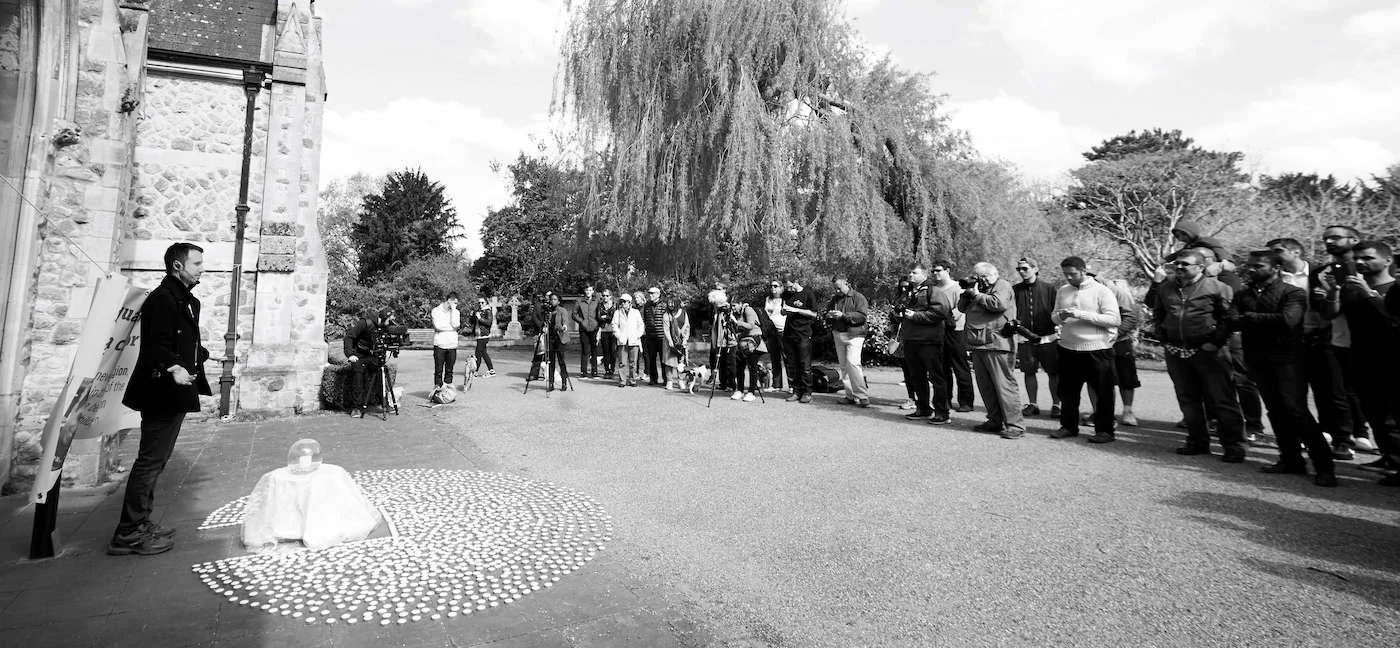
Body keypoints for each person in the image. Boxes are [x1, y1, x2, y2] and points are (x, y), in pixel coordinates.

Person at [111, 242, 213, 555]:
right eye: (196, 263)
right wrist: (174, 366)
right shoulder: (162, 299)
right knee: (150, 461)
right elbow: (155, 345)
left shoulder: (186, 301)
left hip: (175, 391)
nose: (201, 268)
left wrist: (196, 359)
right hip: (161, 392)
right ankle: (129, 533)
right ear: (177, 266)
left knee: (157, 460)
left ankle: (140, 523)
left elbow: (183, 342)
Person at [1232, 250, 1336, 487]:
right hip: (1257, 358)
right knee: (1275, 411)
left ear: (1276, 268)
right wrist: (1256, 318)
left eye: (1257, 266)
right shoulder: (1243, 294)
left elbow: (1288, 320)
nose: (1250, 270)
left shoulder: (1294, 293)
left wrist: (1249, 318)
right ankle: (1290, 459)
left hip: (1288, 359)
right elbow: (1232, 319)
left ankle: (1324, 466)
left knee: (1296, 410)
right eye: (1249, 266)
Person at [1146, 249, 1247, 462]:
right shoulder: (1166, 288)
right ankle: (1197, 441)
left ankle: (1233, 446)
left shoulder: (1218, 288)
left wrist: (1215, 342)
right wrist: (1164, 341)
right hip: (1176, 352)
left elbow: (1229, 319)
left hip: (1210, 352)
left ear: (1200, 267)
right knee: (1187, 399)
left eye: (1185, 264)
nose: (1179, 267)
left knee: (1222, 399)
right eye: (1177, 264)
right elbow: (1158, 315)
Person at [1270, 236, 1357, 459]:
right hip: (1288, 342)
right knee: (1293, 393)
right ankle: (1302, 437)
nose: (1272, 255)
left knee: (1332, 392)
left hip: (1321, 339)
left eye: (1277, 250)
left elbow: (1333, 302)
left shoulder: (1319, 273)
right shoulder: (1273, 276)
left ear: (1296, 252)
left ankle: (1343, 440)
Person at [1332, 240, 1400, 485]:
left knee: (1394, 416)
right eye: (1358, 258)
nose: (1361, 262)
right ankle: (1389, 457)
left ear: (1387, 260)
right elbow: (1336, 316)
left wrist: (1369, 294)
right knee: (1374, 412)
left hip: (1391, 361)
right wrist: (1334, 293)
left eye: (1369, 258)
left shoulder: (1394, 289)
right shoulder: (1352, 288)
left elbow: (1391, 320)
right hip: (1360, 358)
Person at [1308, 225, 1373, 460]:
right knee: (1337, 390)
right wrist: (1329, 295)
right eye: (1327, 238)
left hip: (1371, 341)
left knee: (1364, 393)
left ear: (1354, 239)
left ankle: (1364, 434)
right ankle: (1343, 440)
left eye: (1336, 237)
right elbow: (1323, 309)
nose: (1330, 241)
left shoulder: (1369, 269)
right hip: (1335, 339)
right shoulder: (1321, 272)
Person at [1048, 257, 1120, 443]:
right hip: (1068, 347)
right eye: (1065, 274)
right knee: (1068, 392)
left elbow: (1113, 320)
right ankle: (1068, 426)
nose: (1069, 278)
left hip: (1097, 349)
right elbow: (1054, 317)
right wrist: (1060, 316)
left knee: (1103, 392)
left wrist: (1081, 314)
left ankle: (1105, 430)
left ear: (1083, 271)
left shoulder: (1102, 291)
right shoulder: (1063, 291)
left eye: (1073, 274)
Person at [959, 262, 1023, 439]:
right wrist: (968, 292)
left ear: (992, 274)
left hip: (998, 343)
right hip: (979, 343)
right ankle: (994, 421)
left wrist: (977, 294)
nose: (981, 280)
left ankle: (1015, 425)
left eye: (982, 276)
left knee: (1004, 385)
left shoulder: (1002, 285)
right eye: (978, 276)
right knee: (986, 386)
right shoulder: (978, 288)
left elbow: (998, 304)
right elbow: (961, 308)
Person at [898, 264, 953, 423]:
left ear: (923, 274)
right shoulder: (908, 292)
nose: (910, 275)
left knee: (936, 377)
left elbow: (940, 312)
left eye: (914, 272)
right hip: (911, 339)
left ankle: (942, 412)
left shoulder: (933, 290)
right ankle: (923, 409)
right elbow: (901, 313)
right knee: (916, 377)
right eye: (909, 272)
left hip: (929, 340)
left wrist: (915, 315)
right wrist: (897, 312)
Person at [1011, 257, 1061, 418]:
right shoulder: (1015, 290)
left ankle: (1056, 404)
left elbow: (1057, 312)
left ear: (1035, 269)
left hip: (1048, 338)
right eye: (1019, 269)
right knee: (1029, 372)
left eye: (1025, 268)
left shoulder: (1049, 288)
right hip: (1026, 338)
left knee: (1053, 372)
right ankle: (1033, 404)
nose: (1021, 272)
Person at [931, 260, 975, 412]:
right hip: (938, 332)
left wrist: (943, 317)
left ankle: (966, 402)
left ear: (947, 270)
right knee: (942, 368)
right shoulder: (934, 289)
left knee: (960, 367)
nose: (935, 274)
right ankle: (945, 400)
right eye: (933, 271)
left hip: (956, 331)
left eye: (938, 270)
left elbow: (961, 309)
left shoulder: (957, 288)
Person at [826, 274, 871, 407]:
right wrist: (829, 315)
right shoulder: (835, 299)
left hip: (855, 334)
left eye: (839, 288)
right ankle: (850, 395)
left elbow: (862, 316)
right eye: (835, 289)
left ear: (846, 283)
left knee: (853, 363)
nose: (837, 291)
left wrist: (843, 315)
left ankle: (862, 396)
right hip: (838, 333)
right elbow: (827, 315)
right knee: (844, 366)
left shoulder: (858, 297)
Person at [344, 307, 392, 417]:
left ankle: (383, 403)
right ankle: (356, 408)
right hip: (358, 355)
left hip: (371, 355)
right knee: (358, 375)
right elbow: (349, 337)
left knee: (381, 372)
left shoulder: (383, 326)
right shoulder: (365, 322)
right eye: (389, 320)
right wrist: (350, 354)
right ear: (383, 317)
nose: (390, 323)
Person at [781, 275, 818, 403]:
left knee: (804, 365)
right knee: (792, 364)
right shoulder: (787, 295)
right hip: (788, 334)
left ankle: (807, 392)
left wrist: (796, 310)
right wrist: (784, 311)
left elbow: (814, 314)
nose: (788, 289)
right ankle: (796, 391)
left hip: (803, 334)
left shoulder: (808, 294)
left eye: (789, 286)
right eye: (786, 287)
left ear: (796, 281)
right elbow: (784, 310)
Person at [730, 298, 767, 402]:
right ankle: (740, 390)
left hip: (753, 342)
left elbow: (751, 326)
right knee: (740, 366)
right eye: (731, 306)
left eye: (734, 305)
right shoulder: (736, 313)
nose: (733, 308)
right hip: (742, 342)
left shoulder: (748, 310)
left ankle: (751, 392)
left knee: (752, 366)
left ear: (740, 303)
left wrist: (737, 322)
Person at [708, 289, 740, 394]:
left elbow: (735, 323)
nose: (714, 306)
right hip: (719, 340)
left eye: (715, 304)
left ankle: (732, 384)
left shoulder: (727, 310)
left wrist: (728, 311)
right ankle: (723, 383)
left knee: (730, 363)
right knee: (720, 362)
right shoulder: (716, 312)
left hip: (729, 341)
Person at [758, 279, 787, 391]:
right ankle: (776, 385)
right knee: (774, 358)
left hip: (782, 330)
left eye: (775, 286)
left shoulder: (785, 299)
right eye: (771, 286)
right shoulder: (768, 299)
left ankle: (792, 386)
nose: (773, 288)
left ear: (781, 287)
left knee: (786, 358)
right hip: (771, 331)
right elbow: (766, 314)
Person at [613, 293, 645, 387]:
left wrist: (637, 335)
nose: (623, 303)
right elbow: (614, 325)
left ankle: (632, 380)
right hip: (622, 341)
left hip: (633, 340)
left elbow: (641, 325)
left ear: (629, 302)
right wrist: (619, 336)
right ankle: (622, 380)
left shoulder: (636, 312)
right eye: (621, 301)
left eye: (625, 301)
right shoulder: (617, 312)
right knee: (622, 362)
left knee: (633, 362)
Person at [430, 293, 461, 390]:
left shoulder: (456, 312)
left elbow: (456, 325)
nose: (455, 305)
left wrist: (454, 311)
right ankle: (438, 387)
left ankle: (448, 385)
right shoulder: (436, 311)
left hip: (452, 344)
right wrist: (450, 328)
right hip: (440, 344)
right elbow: (438, 326)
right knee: (439, 369)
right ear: (449, 300)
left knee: (450, 369)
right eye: (454, 303)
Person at [641, 286, 668, 386]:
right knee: (651, 359)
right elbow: (644, 319)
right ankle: (653, 378)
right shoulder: (646, 305)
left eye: (652, 293)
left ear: (658, 294)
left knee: (663, 359)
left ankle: (666, 379)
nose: (650, 295)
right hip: (650, 336)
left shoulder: (664, 305)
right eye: (650, 293)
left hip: (661, 336)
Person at [544, 293, 571, 391]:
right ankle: (551, 383)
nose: (552, 301)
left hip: (560, 338)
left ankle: (564, 382)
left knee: (561, 361)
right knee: (551, 361)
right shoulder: (548, 311)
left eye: (555, 299)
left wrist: (563, 327)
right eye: (551, 299)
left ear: (559, 301)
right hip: (550, 338)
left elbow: (565, 322)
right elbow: (546, 323)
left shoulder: (562, 310)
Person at [573, 285, 601, 378]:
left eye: (590, 290)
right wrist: (581, 321)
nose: (588, 292)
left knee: (594, 350)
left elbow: (599, 314)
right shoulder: (579, 301)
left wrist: (597, 323)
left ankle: (594, 372)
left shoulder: (596, 300)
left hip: (594, 328)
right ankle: (583, 372)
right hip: (584, 329)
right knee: (585, 350)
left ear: (593, 291)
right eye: (586, 290)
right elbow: (574, 314)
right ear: (584, 291)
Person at [663, 297, 690, 391]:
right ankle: (669, 381)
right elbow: (666, 329)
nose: (670, 304)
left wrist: (685, 339)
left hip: (682, 341)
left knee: (681, 362)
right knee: (669, 362)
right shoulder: (667, 314)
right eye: (669, 303)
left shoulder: (684, 313)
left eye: (672, 302)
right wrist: (670, 341)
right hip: (669, 341)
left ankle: (680, 380)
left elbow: (687, 326)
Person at [469, 297, 496, 377]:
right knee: (484, 353)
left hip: (484, 335)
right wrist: (472, 316)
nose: (480, 304)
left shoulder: (488, 311)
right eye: (479, 303)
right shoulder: (478, 311)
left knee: (478, 353)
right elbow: (472, 322)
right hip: (479, 335)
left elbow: (489, 322)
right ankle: (491, 370)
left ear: (486, 303)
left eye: (482, 302)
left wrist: (480, 318)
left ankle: (475, 371)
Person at [596, 289, 618, 379]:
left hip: (613, 330)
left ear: (611, 296)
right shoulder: (600, 305)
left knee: (613, 351)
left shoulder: (615, 305)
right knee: (606, 352)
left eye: (607, 295)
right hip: (604, 330)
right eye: (603, 295)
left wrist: (605, 317)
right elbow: (598, 317)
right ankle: (607, 370)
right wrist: (606, 318)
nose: (605, 297)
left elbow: (615, 317)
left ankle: (612, 369)